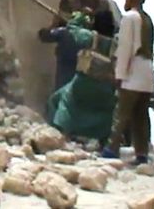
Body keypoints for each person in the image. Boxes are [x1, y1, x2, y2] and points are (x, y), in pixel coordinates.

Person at [46, 10, 117, 143]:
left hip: (85, 82)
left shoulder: (89, 37)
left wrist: (78, 18)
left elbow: (72, 28)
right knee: (105, 112)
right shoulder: (115, 44)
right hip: (106, 87)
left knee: (59, 100)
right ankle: (102, 141)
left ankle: (60, 134)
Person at [102, 0, 154, 165]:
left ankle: (111, 149)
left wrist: (119, 73)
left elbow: (125, 48)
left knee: (122, 113)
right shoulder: (147, 19)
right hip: (147, 72)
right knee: (141, 116)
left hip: (133, 70)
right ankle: (142, 153)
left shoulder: (130, 18)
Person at [39, 11, 92, 91]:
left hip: (63, 65)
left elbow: (44, 36)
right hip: (79, 68)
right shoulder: (89, 35)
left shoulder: (63, 31)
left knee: (61, 88)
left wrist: (54, 24)